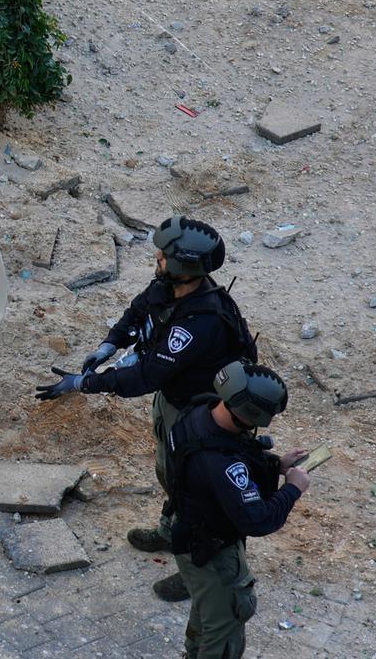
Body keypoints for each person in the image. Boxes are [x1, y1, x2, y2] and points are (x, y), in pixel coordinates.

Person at [33, 215, 256, 600]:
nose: (157, 257)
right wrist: (109, 344)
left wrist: (84, 383)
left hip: (209, 419)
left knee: (206, 496)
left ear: (185, 267)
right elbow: (140, 310)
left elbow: (144, 377)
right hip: (179, 402)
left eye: (164, 255)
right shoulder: (174, 288)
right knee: (172, 475)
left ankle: (200, 571)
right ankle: (172, 533)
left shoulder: (199, 323)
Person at [164, 361, 311, 659]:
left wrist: (275, 465)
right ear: (252, 415)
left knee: (207, 615)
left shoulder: (197, 412)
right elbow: (257, 519)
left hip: (189, 531)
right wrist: (293, 488)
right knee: (224, 629)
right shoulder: (223, 462)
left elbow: (224, 470)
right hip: (213, 551)